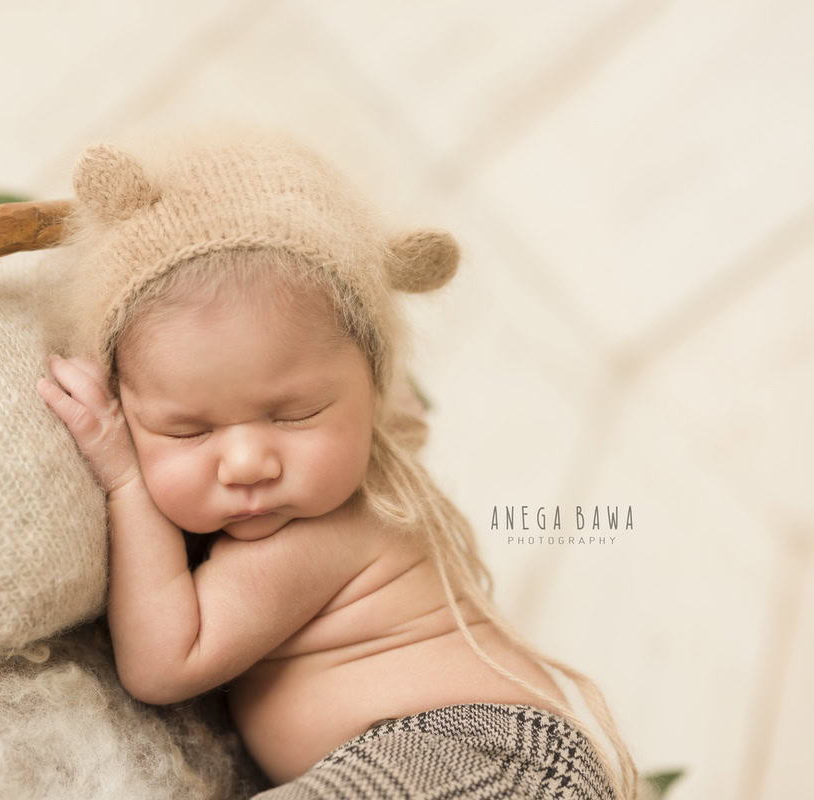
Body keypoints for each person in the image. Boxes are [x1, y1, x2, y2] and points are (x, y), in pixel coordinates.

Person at [35, 124, 637, 800]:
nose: (246, 462)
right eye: (187, 431)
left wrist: (125, 481)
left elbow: (162, 662)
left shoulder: (332, 530)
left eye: (293, 416)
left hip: (490, 761)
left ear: (375, 394)